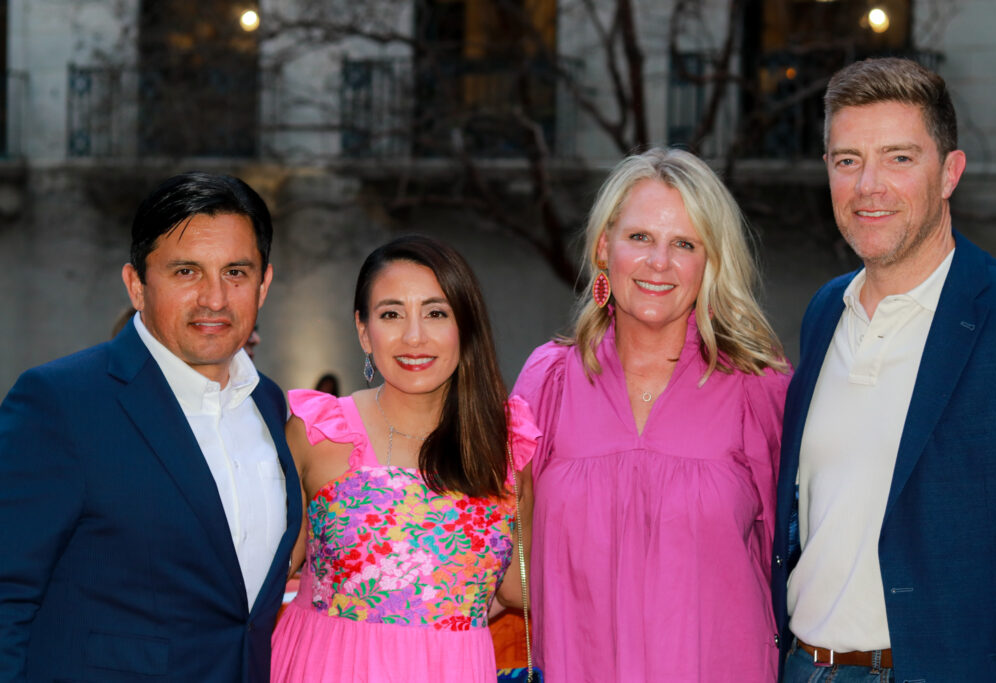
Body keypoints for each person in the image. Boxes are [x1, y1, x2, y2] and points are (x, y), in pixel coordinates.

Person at [771, 58, 996, 682]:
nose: (869, 186)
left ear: (950, 173)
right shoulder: (827, 309)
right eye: (847, 159)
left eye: (900, 158)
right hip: (806, 667)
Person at [0, 172, 302, 682]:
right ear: (137, 284)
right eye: (186, 271)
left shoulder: (272, 407)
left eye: (236, 272)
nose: (214, 298)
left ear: (264, 283)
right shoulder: (61, 402)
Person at [512, 147, 791, 681]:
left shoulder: (759, 388)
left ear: (709, 262)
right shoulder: (549, 382)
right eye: (640, 237)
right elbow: (502, 553)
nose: (658, 262)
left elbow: (799, 560)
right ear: (603, 246)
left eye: (683, 243)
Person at [271, 235, 539, 682]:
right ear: (363, 330)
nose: (414, 337)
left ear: (465, 326)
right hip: (324, 667)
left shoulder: (507, 445)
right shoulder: (317, 433)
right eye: (391, 314)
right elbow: (266, 573)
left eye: (436, 313)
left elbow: (520, 588)